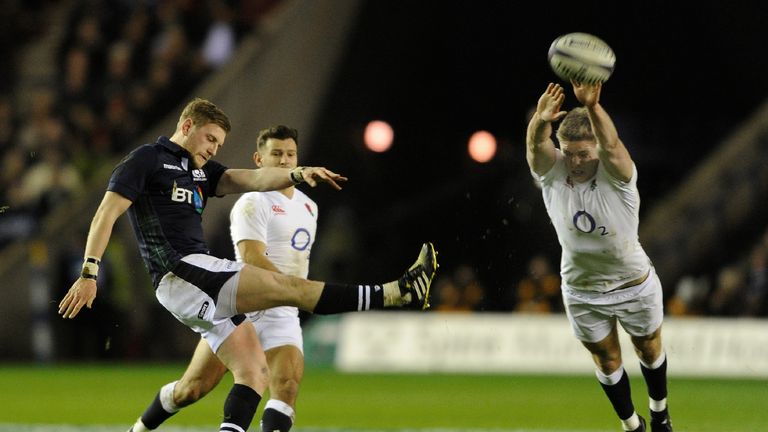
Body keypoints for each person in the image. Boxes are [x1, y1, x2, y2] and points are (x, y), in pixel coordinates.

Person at [58, 98, 438, 432]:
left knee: (251, 374)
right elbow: (106, 213)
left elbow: (253, 177)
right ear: (187, 126)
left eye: (219, 144)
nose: (213, 149)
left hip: (197, 281)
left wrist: (295, 174)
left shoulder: (202, 173)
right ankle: (395, 293)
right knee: (292, 289)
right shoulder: (147, 159)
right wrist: (89, 271)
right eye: (210, 139)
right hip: (181, 271)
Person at [125, 124, 323, 432]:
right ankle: (139, 428)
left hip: (282, 309)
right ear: (259, 159)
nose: (284, 161)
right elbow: (253, 258)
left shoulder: (309, 206)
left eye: (290, 154)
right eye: (277, 154)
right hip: (244, 302)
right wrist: (297, 291)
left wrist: (295, 294)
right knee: (192, 388)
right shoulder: (252, 202)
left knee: (285, 386)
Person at [525, 82, 672, 432]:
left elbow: (612, 144)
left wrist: (593, 107)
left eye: (584, 153)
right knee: (607, 360)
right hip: (582, 290)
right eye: (569, 153)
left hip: (633, 282)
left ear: (597, 151)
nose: (575, 161)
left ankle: (660, 414)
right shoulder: (552, 172)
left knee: (648, 349)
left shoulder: (618, 175)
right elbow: (534, 146)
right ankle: (631, 425)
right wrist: (540, 120)